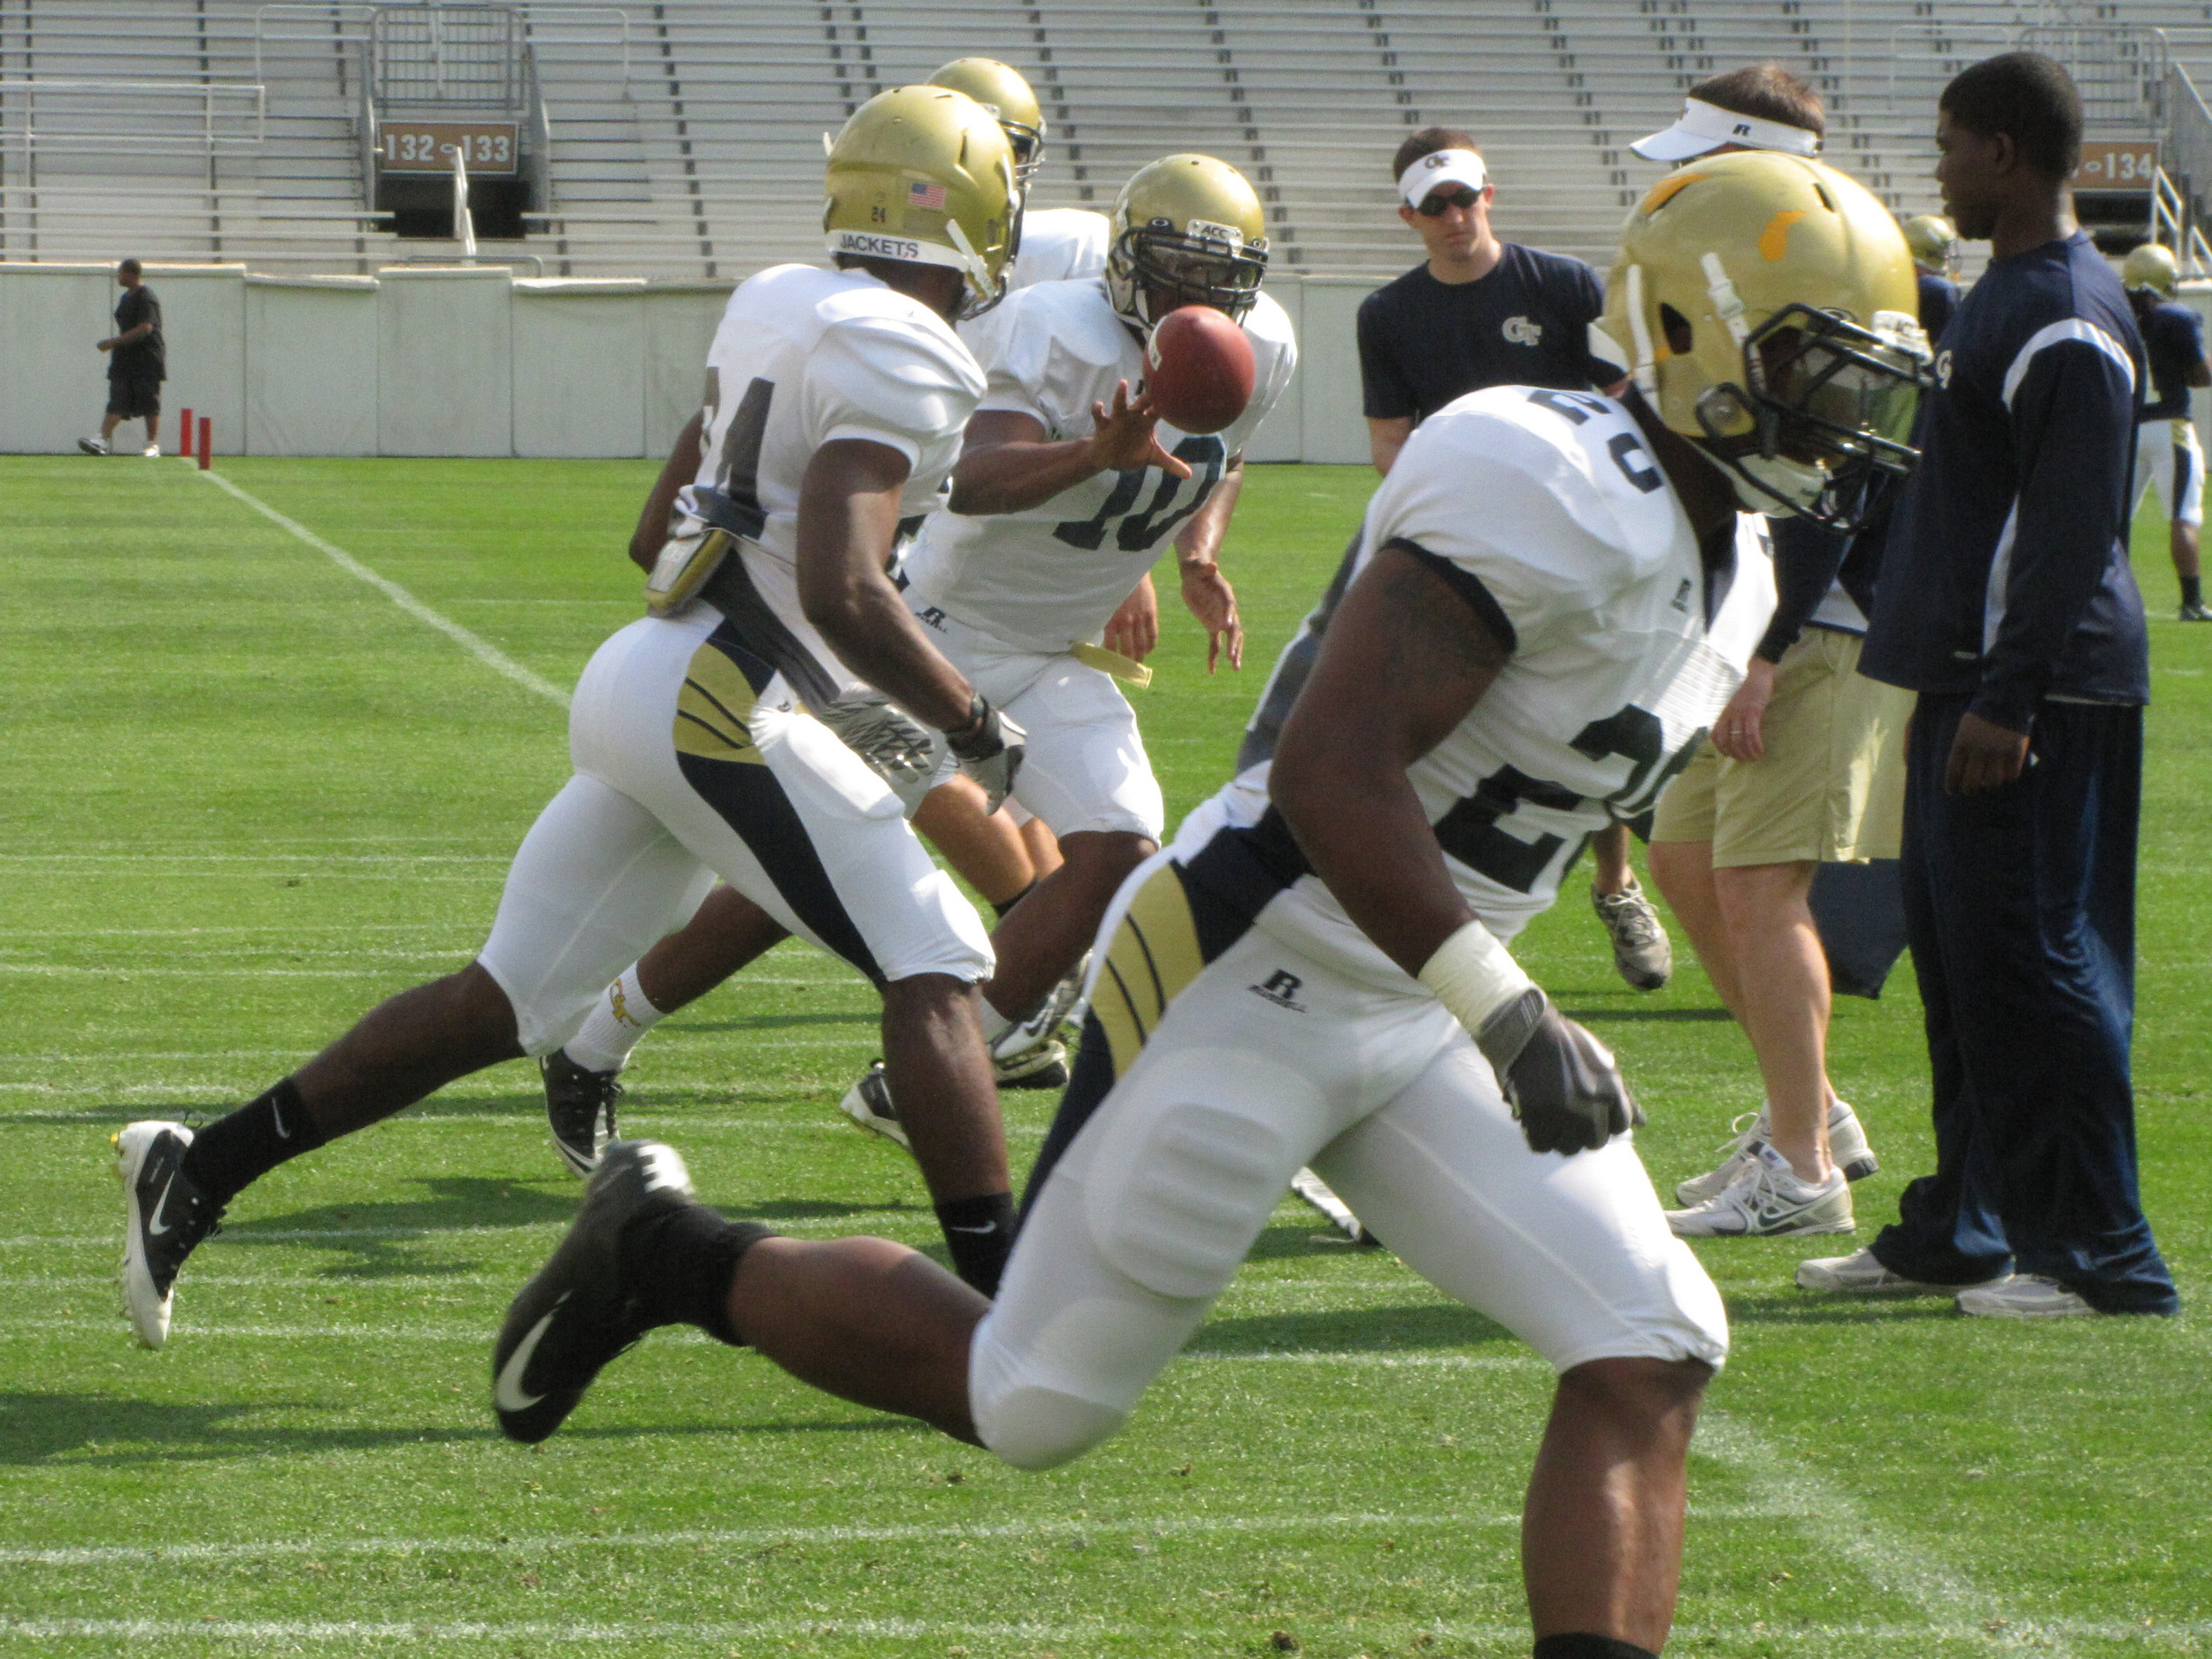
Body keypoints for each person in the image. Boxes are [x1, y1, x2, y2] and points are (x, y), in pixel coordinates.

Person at [490, 149, 1933, 1659]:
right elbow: (1331, 771)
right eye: (1816, 377)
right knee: (1031, 1401)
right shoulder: (1549, 477)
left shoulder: (1743, 561)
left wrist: (1500, 991)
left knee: (1651, 1345)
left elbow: (1512, 808)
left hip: (1425, 995)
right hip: (1263, 961)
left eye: (1864, 388)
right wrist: (1508, 1016)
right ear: (1695, 342)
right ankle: (665, 1251)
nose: (1847, 424)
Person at [111, 85, 1031, 1350]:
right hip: (722, 698)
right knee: (937, 963)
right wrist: (971, 716)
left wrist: (837, 691)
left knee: (507, 997)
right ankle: (1014, 1298)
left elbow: (661, 532)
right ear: (967, 206)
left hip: (650, 671)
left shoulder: (780, 296)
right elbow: (844, 584)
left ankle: (199, 1164)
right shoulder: (913, 350)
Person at [539, 59, 1131, 1169]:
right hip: (901, 610)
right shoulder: (881, 306)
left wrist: (1123, 523)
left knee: (938, 869)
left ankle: (992, 1013)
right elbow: (851, 520)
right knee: (841, 876)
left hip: (968, 599)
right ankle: (607, 1039)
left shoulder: (1059, 267)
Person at [1800, 53, 2179, 1318]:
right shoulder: (2003, 293)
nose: (1943, 169)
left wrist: (2010, 698)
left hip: (2037, 692)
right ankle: (1967, 1221)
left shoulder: (2066, 307)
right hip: (1973, 677)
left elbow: (2069, 528)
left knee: (2043, 960)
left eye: (1954, 145)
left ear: (2005, 154)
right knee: (1967, 963)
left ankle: (2103, 1253)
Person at [1245, 124, 1675, 997]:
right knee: (1408, 716)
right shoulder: (1389, 314)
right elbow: (1386, 442)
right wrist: (1455, 508)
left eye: (1464, 197)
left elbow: (1623, 404)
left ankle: (1615, 886)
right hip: (1456, 545)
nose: (1453, 216)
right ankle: (1432, 911)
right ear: (1407, 216)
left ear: (1490, 194)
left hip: (1576, 533)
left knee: (1588, 707)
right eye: (1433, 204)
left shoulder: (1560, 285)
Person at [1632, 65, 1909, 1237]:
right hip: (1749, 619)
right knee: (1684, 854)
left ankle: (1801, 1170)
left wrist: (1767, 648)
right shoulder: (1762, 262)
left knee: (1758, 882)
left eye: (1702, 156)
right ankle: (1815, 1114)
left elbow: (1836, 482)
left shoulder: (1834, 274)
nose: (1674, 176)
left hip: (1813, 624)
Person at [2120, 242, 2212, 621]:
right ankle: (2192, 602)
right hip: (2170, 425)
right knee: (2183, 515)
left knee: (2117, 518)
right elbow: (2202, 375)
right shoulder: (2175, 317)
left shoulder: (2120, 318)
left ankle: (2109, 595)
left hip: (2130, 428)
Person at [80, 258, 164, 458]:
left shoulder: (146, 297)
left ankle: (152, 445)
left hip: (146, 358)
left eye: (121, 273)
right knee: (118, 397)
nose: (118, 277)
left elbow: (145, 328)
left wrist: (113, 342)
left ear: (131, 273)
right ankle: (101, 439)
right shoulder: (126, 298)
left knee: (149, 400)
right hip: (125, 358)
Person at [1902, 213, 1961, 343]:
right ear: (1930, 254)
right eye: (1942, 251)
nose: (1946, 257)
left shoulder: (1893, 287)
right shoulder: (1937, 290)